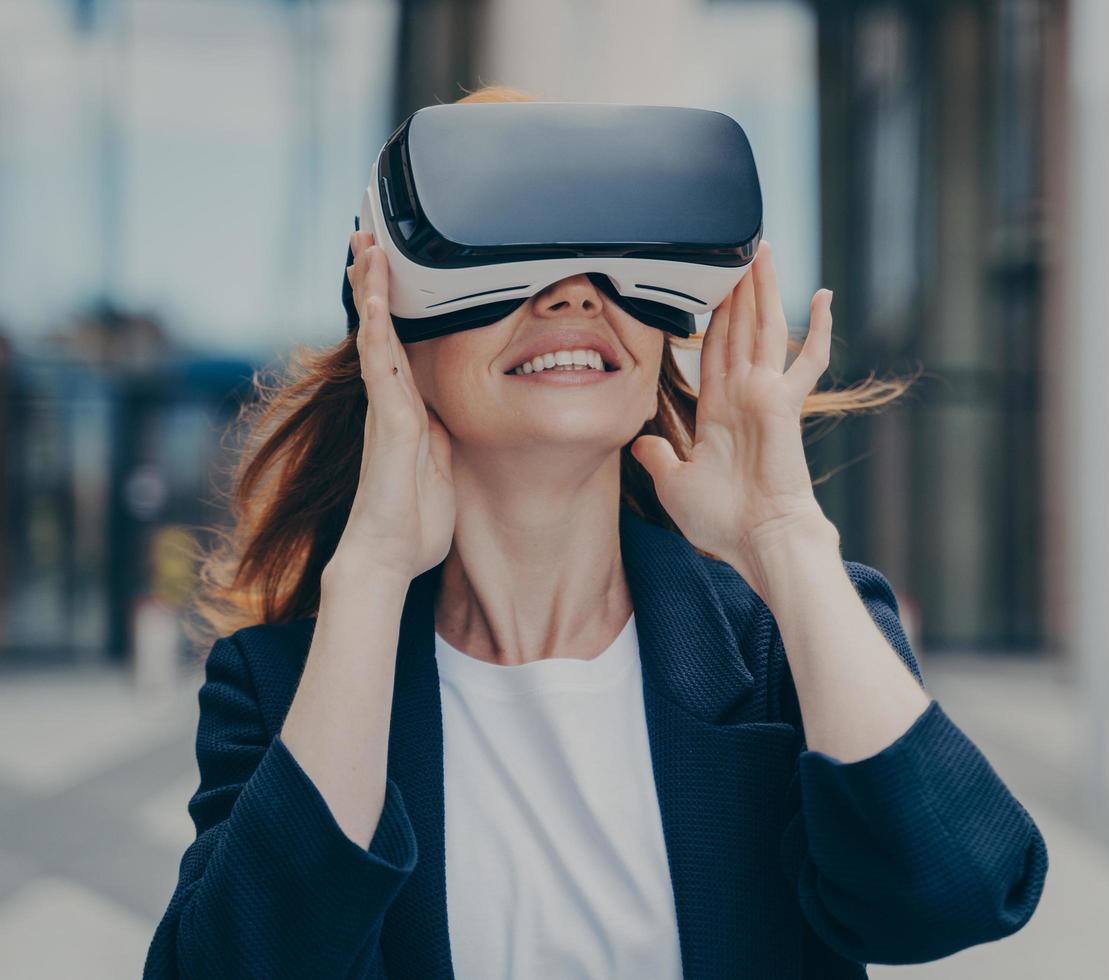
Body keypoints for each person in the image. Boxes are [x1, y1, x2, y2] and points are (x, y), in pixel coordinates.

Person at [143, 85, 1047, 980]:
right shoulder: (281, 685)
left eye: (613, 253)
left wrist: (782, 534)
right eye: (503, 246)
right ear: (391, 326)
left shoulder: (781, 645)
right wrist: (372, 572)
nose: (574, 292)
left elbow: (958, 896)